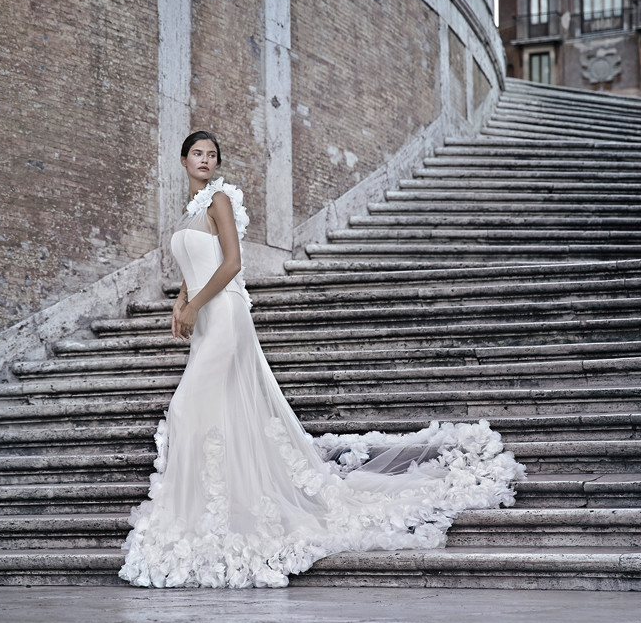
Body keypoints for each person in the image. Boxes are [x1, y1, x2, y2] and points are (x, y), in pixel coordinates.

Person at [118, 130, 525, 589]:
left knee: (185, 408)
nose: (206, 161)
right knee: (216, 413)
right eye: (198, 154)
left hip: (225, 315)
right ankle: (223, 510)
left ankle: (208, 513)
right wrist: (182, 299)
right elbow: (199, 265)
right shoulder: (193, 209)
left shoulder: (220, 200)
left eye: (212, 155)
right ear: (182, 159)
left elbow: (231, 263)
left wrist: (194, 304)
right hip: (205, 316)